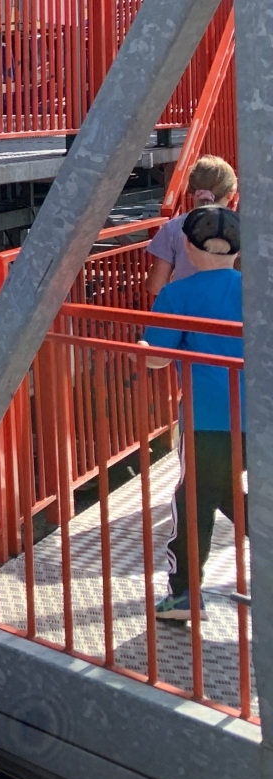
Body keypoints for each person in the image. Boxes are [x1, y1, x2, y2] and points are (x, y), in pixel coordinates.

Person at [143, 205, 245, 622]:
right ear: (239, 249)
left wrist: (144, 351)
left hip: (208, 417)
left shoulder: (177, 294)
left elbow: (155, 359)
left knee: (195, 499)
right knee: (226, 491)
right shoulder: (258, 290)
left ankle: (184, 592)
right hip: (260, 414)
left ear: (186, 245)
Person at [148, 156, 238, 300]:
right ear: (230, 195)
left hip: (184, 307)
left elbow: (155, 285)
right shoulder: (241, 229)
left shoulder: (172, 228)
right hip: (230, 307)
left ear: (191, 191)